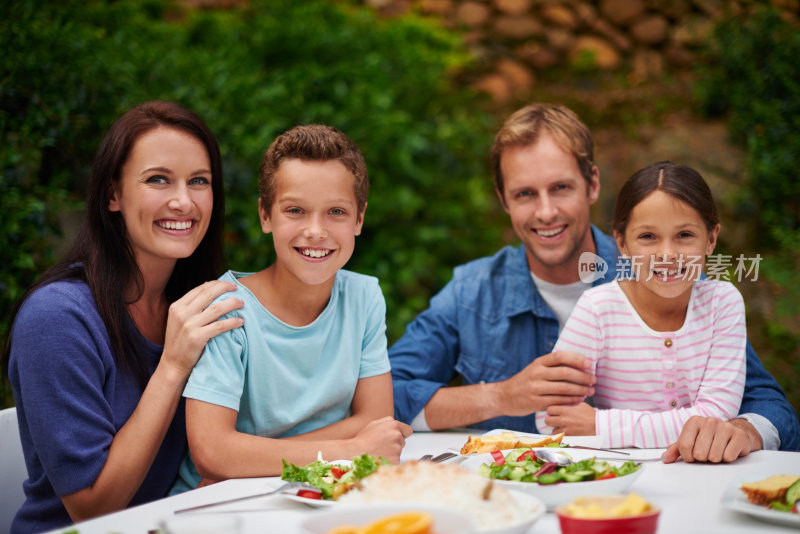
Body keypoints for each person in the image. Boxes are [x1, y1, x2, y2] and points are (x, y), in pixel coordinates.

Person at [389, 102, 800, 461]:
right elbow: (384, 395)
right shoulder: (471, 293)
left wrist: (744, 431)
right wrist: (500, 396)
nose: (546, 211)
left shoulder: (669, 276)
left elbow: (767, 405)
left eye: (561, 188)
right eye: (525, 194)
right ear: (504, 201)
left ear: (593, 184)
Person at [4, 101, 244, 533]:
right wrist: (172, 365)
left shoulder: (196, 304)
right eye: (158, 180)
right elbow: (92, 508)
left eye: (199, 181)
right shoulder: (57, 319)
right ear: (113, 194)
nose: (183, 201)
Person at [171, 124, 411, 493]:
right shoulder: (227, 308)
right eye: (295, 210)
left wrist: (245, 459)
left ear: (359, 219)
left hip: (309, 491)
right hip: (217, 504)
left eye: (336, 211)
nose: (315, 231)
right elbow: (211, 453)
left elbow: (376, 418)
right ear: (265, 215)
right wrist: (352, 449)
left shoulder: (363, 297)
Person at [533, 162, 746, 448]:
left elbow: (716, 415)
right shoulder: (598, 309)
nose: (667, 254)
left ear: (711, 239)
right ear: (621, 242)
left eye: (685, 235)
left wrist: (599, 425)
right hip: (615, 475)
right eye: (648, 237)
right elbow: (551, 417)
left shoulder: (722, 303)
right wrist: (684, 426)